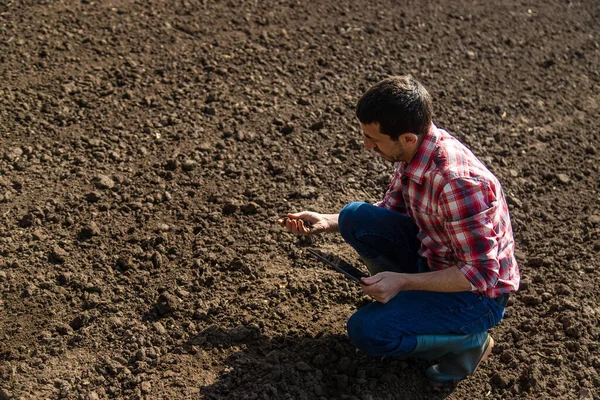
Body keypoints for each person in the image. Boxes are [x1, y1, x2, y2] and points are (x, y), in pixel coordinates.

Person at [278, 75, 520, 385]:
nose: (367, 146)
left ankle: (469, 343)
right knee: (354, 216)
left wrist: (403, 282)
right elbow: (389, 211)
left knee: (367, 332)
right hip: (436, 259)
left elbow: (479, 275)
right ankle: (398, 301)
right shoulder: (415, 150)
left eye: (374, 139)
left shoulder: (458, 183)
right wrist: (329, 220)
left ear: (406, 137)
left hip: (477, 298)